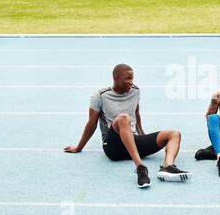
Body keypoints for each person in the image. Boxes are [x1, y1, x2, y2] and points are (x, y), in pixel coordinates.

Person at [64, 64, 192, 188]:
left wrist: (143, 135)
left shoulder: (135, 91)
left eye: (132, 78)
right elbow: (91, 124)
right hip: (113, 147)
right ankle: (140, 168)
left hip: (133, 141)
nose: (131, 82)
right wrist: (78, 147)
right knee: (124, 118)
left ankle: (168, 167)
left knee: (174, 134)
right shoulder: (99, 95)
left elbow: (136, 114)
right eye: (128, 78)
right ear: (116, 77)